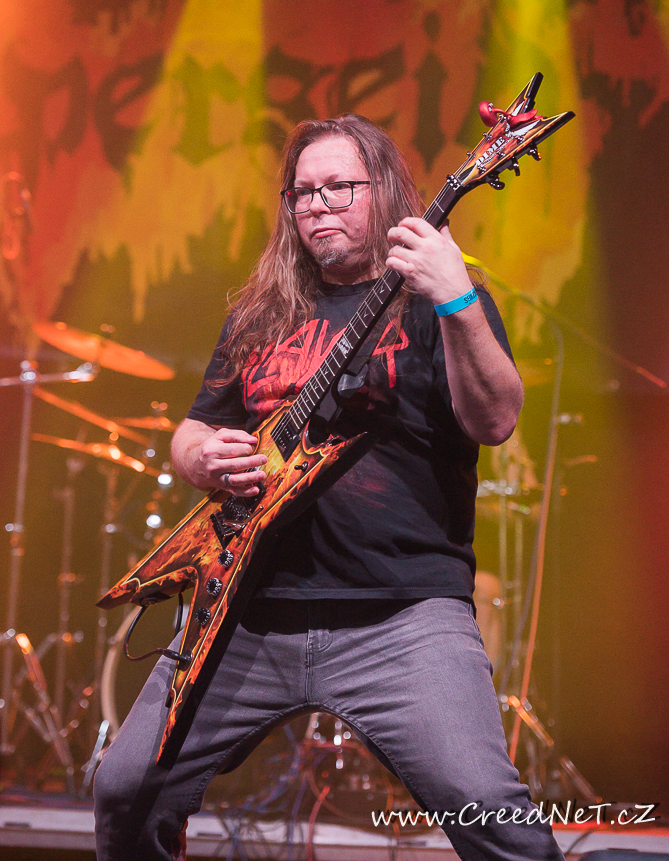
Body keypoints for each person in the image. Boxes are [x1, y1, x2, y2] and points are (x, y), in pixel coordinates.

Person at [94, 115, 563, 861]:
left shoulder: (440, 301)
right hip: (247, 614)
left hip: (401, 617)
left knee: (491, 817)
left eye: (339, 187)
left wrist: (456, 298)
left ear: (386, 191)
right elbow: (193, 429)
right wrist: (203, 457)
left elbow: (496, 420)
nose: (317, 205)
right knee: (124, 790)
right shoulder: (261, 312)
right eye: (303, 192)